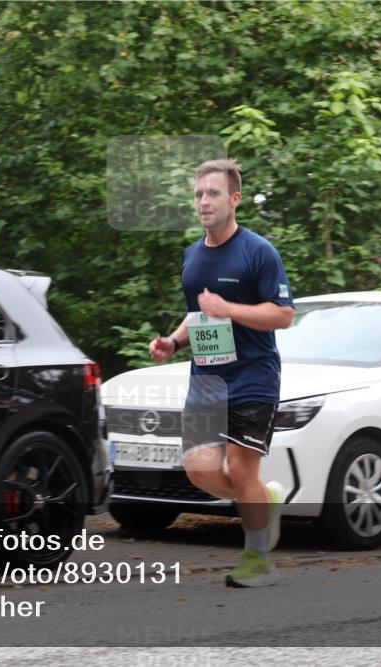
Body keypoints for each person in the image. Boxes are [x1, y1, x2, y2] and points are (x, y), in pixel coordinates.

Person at [150, 159, 294, 587]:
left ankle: (257, 560)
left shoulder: (258, 252)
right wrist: (174, 343)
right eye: (198, 194)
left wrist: (228, 309)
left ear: (234, 199)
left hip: (253, 378)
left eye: (212, 194)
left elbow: (283, 315)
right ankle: (264, 501)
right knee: (198, 469)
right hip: (207, 379)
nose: (203, 202)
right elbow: (197, 315)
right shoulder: (192, 256)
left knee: (241, 468)